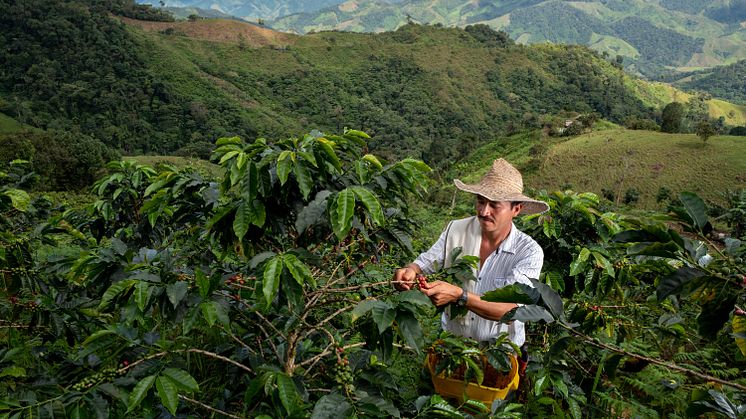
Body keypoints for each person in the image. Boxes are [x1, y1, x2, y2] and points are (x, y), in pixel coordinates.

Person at [392, 158, 549, 347]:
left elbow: (512, 311)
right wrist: (409, 271)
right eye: (481, 202)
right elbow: (424, 263)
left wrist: (460, 296)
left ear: (516, 209)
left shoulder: (528, 252)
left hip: (501, 352)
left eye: (494, 205)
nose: (483, 211)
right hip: (453, 346)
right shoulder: (455, 230)